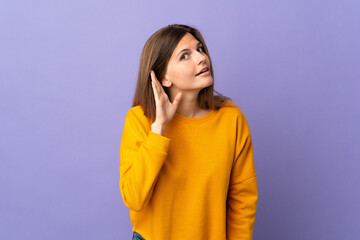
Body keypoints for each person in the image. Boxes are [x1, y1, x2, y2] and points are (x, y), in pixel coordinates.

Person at [119, 24, 258, 240]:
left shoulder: (231, 119)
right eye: (185, 56)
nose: (201, 58)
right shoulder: (140, 120)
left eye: (200, 49)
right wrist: (159, 128)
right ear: (163, 78)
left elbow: (242, 200)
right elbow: (134, 197)